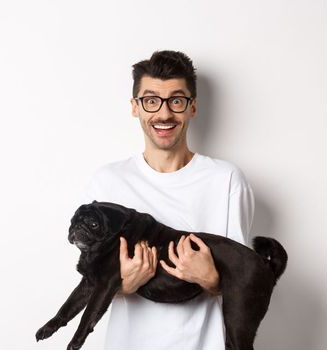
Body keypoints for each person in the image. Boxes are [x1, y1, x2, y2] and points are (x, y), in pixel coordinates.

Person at [81, 50, 254, 350]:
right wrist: (123, 284)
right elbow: (90, 279)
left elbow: (246, 282)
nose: (163, 114)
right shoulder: (107, 182)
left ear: (193, 107)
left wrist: (212, 280)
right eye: (151, 100)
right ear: (135, 107)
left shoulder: (225, 180)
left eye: (176, 100)